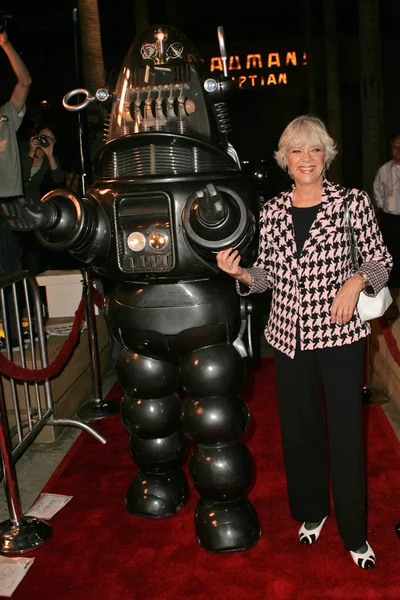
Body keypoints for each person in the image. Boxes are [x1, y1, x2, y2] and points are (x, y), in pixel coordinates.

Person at [216, 115, 393, 569]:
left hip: (340, 335)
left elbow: (382, 261)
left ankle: (354, 533)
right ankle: (312, 513)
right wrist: (240, 274)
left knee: (346, 435)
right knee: (299, 433)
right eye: (297, 150)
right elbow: (268, 275)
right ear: (285, 159)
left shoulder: (352, 202)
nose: (307, 159)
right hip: (287, 337)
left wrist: (356, 280)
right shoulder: (272, 211)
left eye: (315, 149)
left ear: (326, 156)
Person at [0, 27, 32, 350]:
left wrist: (6, 44)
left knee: (12, 268)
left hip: (9, 204)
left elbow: (25, 82)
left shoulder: (6, 115)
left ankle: (13, 333)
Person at [373, 134, 400, 288]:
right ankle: (393, 287)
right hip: (391, 219)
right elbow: (377, 190)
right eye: (395, 147)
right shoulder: (384, 170)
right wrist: (383, 206)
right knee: (392, 253)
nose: (398, 150)